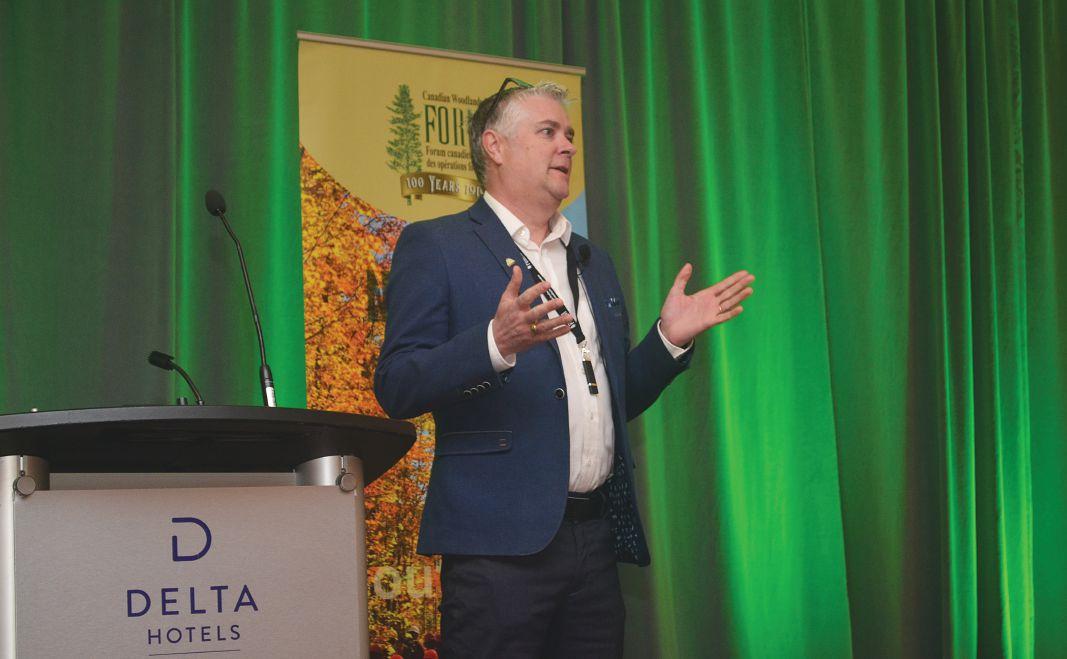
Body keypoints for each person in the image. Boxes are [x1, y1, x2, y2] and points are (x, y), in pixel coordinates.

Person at [374, 79, 754, 658]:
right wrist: (495, 342)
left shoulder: (592, 260)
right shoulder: (438, 246)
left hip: (593, 545)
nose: (568, 146)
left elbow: (608, 403)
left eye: (570, 134)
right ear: (495, 147)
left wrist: (667, 340)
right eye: (548, 131)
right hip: (496, 550)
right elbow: (398, 385)